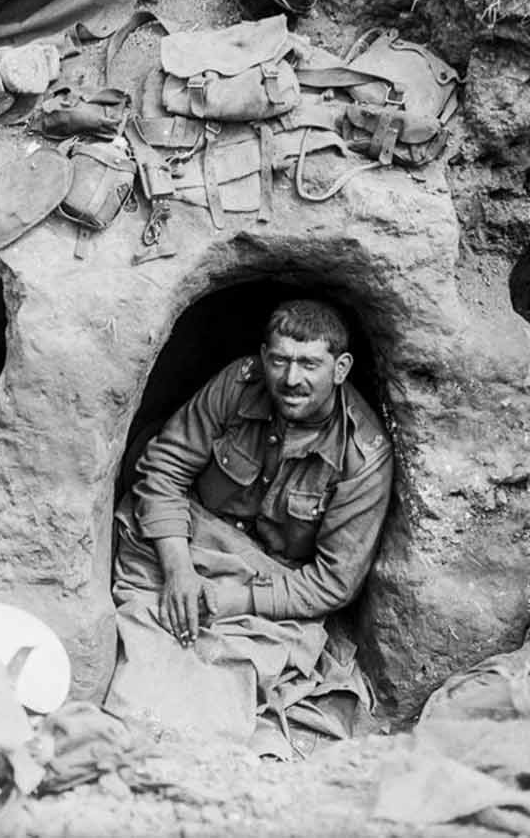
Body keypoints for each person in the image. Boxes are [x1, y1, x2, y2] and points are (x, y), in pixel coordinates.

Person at [108, 298, 394, 751]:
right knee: (142, 629)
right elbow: (164, 468)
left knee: (227, 666)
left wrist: (231, 600)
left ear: (340, 368)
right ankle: (133, 730)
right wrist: (179, 568)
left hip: (269, 583)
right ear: (263, 357)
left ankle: (188, 753)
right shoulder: (239, 384)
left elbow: (333, 584)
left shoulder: (361, 456)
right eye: (279, 360)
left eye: (309, 364)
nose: (290, 378)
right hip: (191, 538)